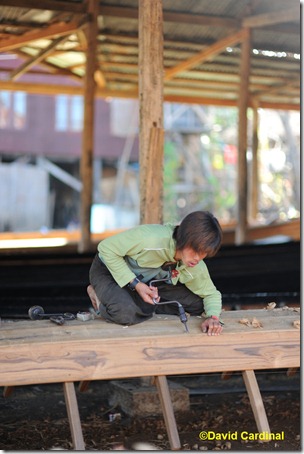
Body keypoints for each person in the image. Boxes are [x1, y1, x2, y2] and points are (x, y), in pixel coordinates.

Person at [87, 210, 223, 335]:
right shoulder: (150, 237)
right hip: (109, 270)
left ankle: (140, 305)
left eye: (204, 253)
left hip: (149, 282)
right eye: (195, 250)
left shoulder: (194, 264)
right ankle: (98, 296)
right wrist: (137, 284)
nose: (198, 258)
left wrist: (213, 318)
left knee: (198, 304)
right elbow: (106, 248)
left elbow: (211, 294)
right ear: (184, 238)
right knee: (124, 313)